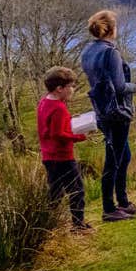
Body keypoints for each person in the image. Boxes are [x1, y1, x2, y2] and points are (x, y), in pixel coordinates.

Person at [81, 10, 136, 222]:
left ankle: (123, 201)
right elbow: (119, 87)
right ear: (111, 29)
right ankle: (109, 208)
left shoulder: (88, 50)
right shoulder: (111, 53)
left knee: (123, 155)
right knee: (114, 160)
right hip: (117, 113)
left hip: (102, 111)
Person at [37, 67, 92, 232]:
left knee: (56, 193)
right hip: (62, 157)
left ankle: (46, 226)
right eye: (70, 86)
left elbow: (50, 128)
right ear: (59, 88)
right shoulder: (59, 107)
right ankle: (78, 225)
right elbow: (58, 134)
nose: (73, 90)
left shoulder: (44, 102)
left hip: (48, 156)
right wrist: (80, 136)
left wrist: (70, 121)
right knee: (77, 190)